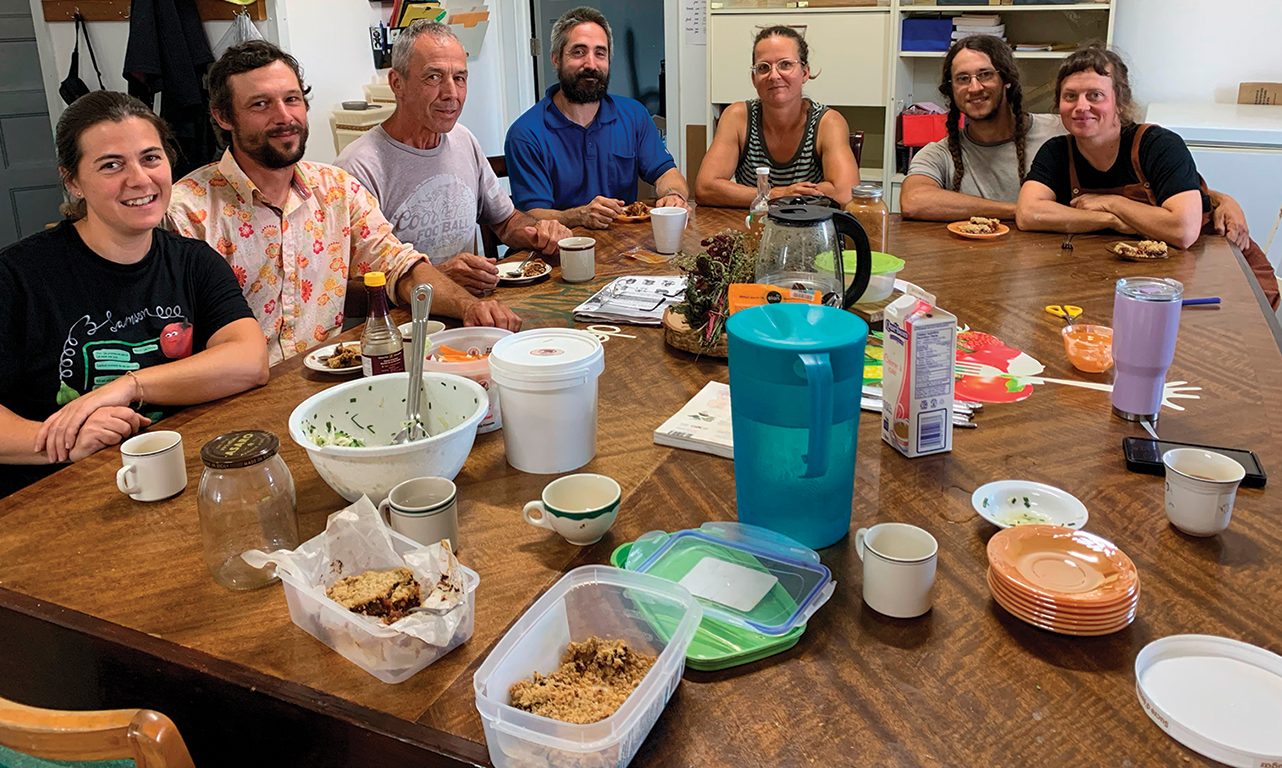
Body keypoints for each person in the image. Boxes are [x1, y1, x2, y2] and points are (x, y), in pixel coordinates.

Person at [169, 41, 521, 365]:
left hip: (331, 379)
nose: (283, 117)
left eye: (292, 100)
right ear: (223, 117)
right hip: (233, 402)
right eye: (260, 104)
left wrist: (470, 307)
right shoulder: (186, 212)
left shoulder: (337, 190)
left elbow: (403, 268)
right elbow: (173, 342)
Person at [0, 91, 269, 498]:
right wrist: (60, 442)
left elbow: (249, 361)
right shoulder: (16, 276)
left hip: (176, 480)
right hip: (52, 497)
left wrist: (130, 385)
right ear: (73, 181)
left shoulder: (193, 262)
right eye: (111, 165)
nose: (139, 179)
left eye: (150, 158)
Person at [1016, 45, 1279, 307]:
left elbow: (1183, 230)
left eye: (1095, 95)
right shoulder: (1058, 152)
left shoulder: (1158, 144)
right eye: (1070, 96)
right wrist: (1112, 221)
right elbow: (1028, 213)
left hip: (1221, 275)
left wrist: (1112, 203)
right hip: (1133, 279)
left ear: (1120, 102)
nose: (1081, 106)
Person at [336, 21, 571, 296]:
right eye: (433, 77)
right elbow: (340, 294)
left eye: (459, 78)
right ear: (397, 83)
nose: (451, 94)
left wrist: (539, 231)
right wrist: (434, 278)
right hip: (403, 327)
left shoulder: (463, 140)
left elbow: (506, 222)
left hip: (470, 310)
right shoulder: (357, 168)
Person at [504, 6, 690, 229]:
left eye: (600, 53)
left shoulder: (634, 115)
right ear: (555, 59)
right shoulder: (526, 133)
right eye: (578, 52)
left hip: (624, 250)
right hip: (558, 253)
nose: (591, 65)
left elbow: (667, 174)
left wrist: (673, 196)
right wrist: (579, 216)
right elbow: (530, 217)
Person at [900, 35, 1062, 221]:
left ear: (1006, 79)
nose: (974, 87)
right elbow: (913, 201)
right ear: (951, 91)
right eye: (962, 78)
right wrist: (1020, 210)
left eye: (985, 74)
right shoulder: (940, 153)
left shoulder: (1057, 133)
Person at [694, 25, 858, 207]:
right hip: (753, 228)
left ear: (805, 73)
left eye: (785, 65)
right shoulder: (737, 117)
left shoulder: (828, 123)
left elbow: (845, 193)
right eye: (763, 67)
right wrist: (777, 194)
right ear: (754, 78)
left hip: (809, 231)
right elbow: (705, 188)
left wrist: (756, 196)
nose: (774, 75)